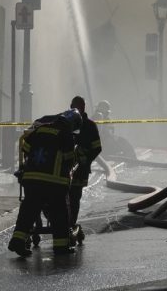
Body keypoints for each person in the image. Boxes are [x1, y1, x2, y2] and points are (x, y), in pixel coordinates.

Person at [8, 109, 80, 257]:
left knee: (28, 212)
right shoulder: (66, 135)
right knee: (60, 214)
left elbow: (26, 148)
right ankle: (61, 247)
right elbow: (69, 159)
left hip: (31, 180)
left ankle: (17, 241)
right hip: (53, 182)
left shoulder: (40, 129)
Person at [68, 96, 102, 245]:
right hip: (63, 169)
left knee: (74, 198)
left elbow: (97, 148)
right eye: (72, 107)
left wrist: (86, 159)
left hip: (80, 170)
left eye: (77, 107)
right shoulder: (66, 124)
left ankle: (70, 224)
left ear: (83, 108)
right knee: (62, 198)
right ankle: (63, 223)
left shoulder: (89, 126)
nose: (74, 110)